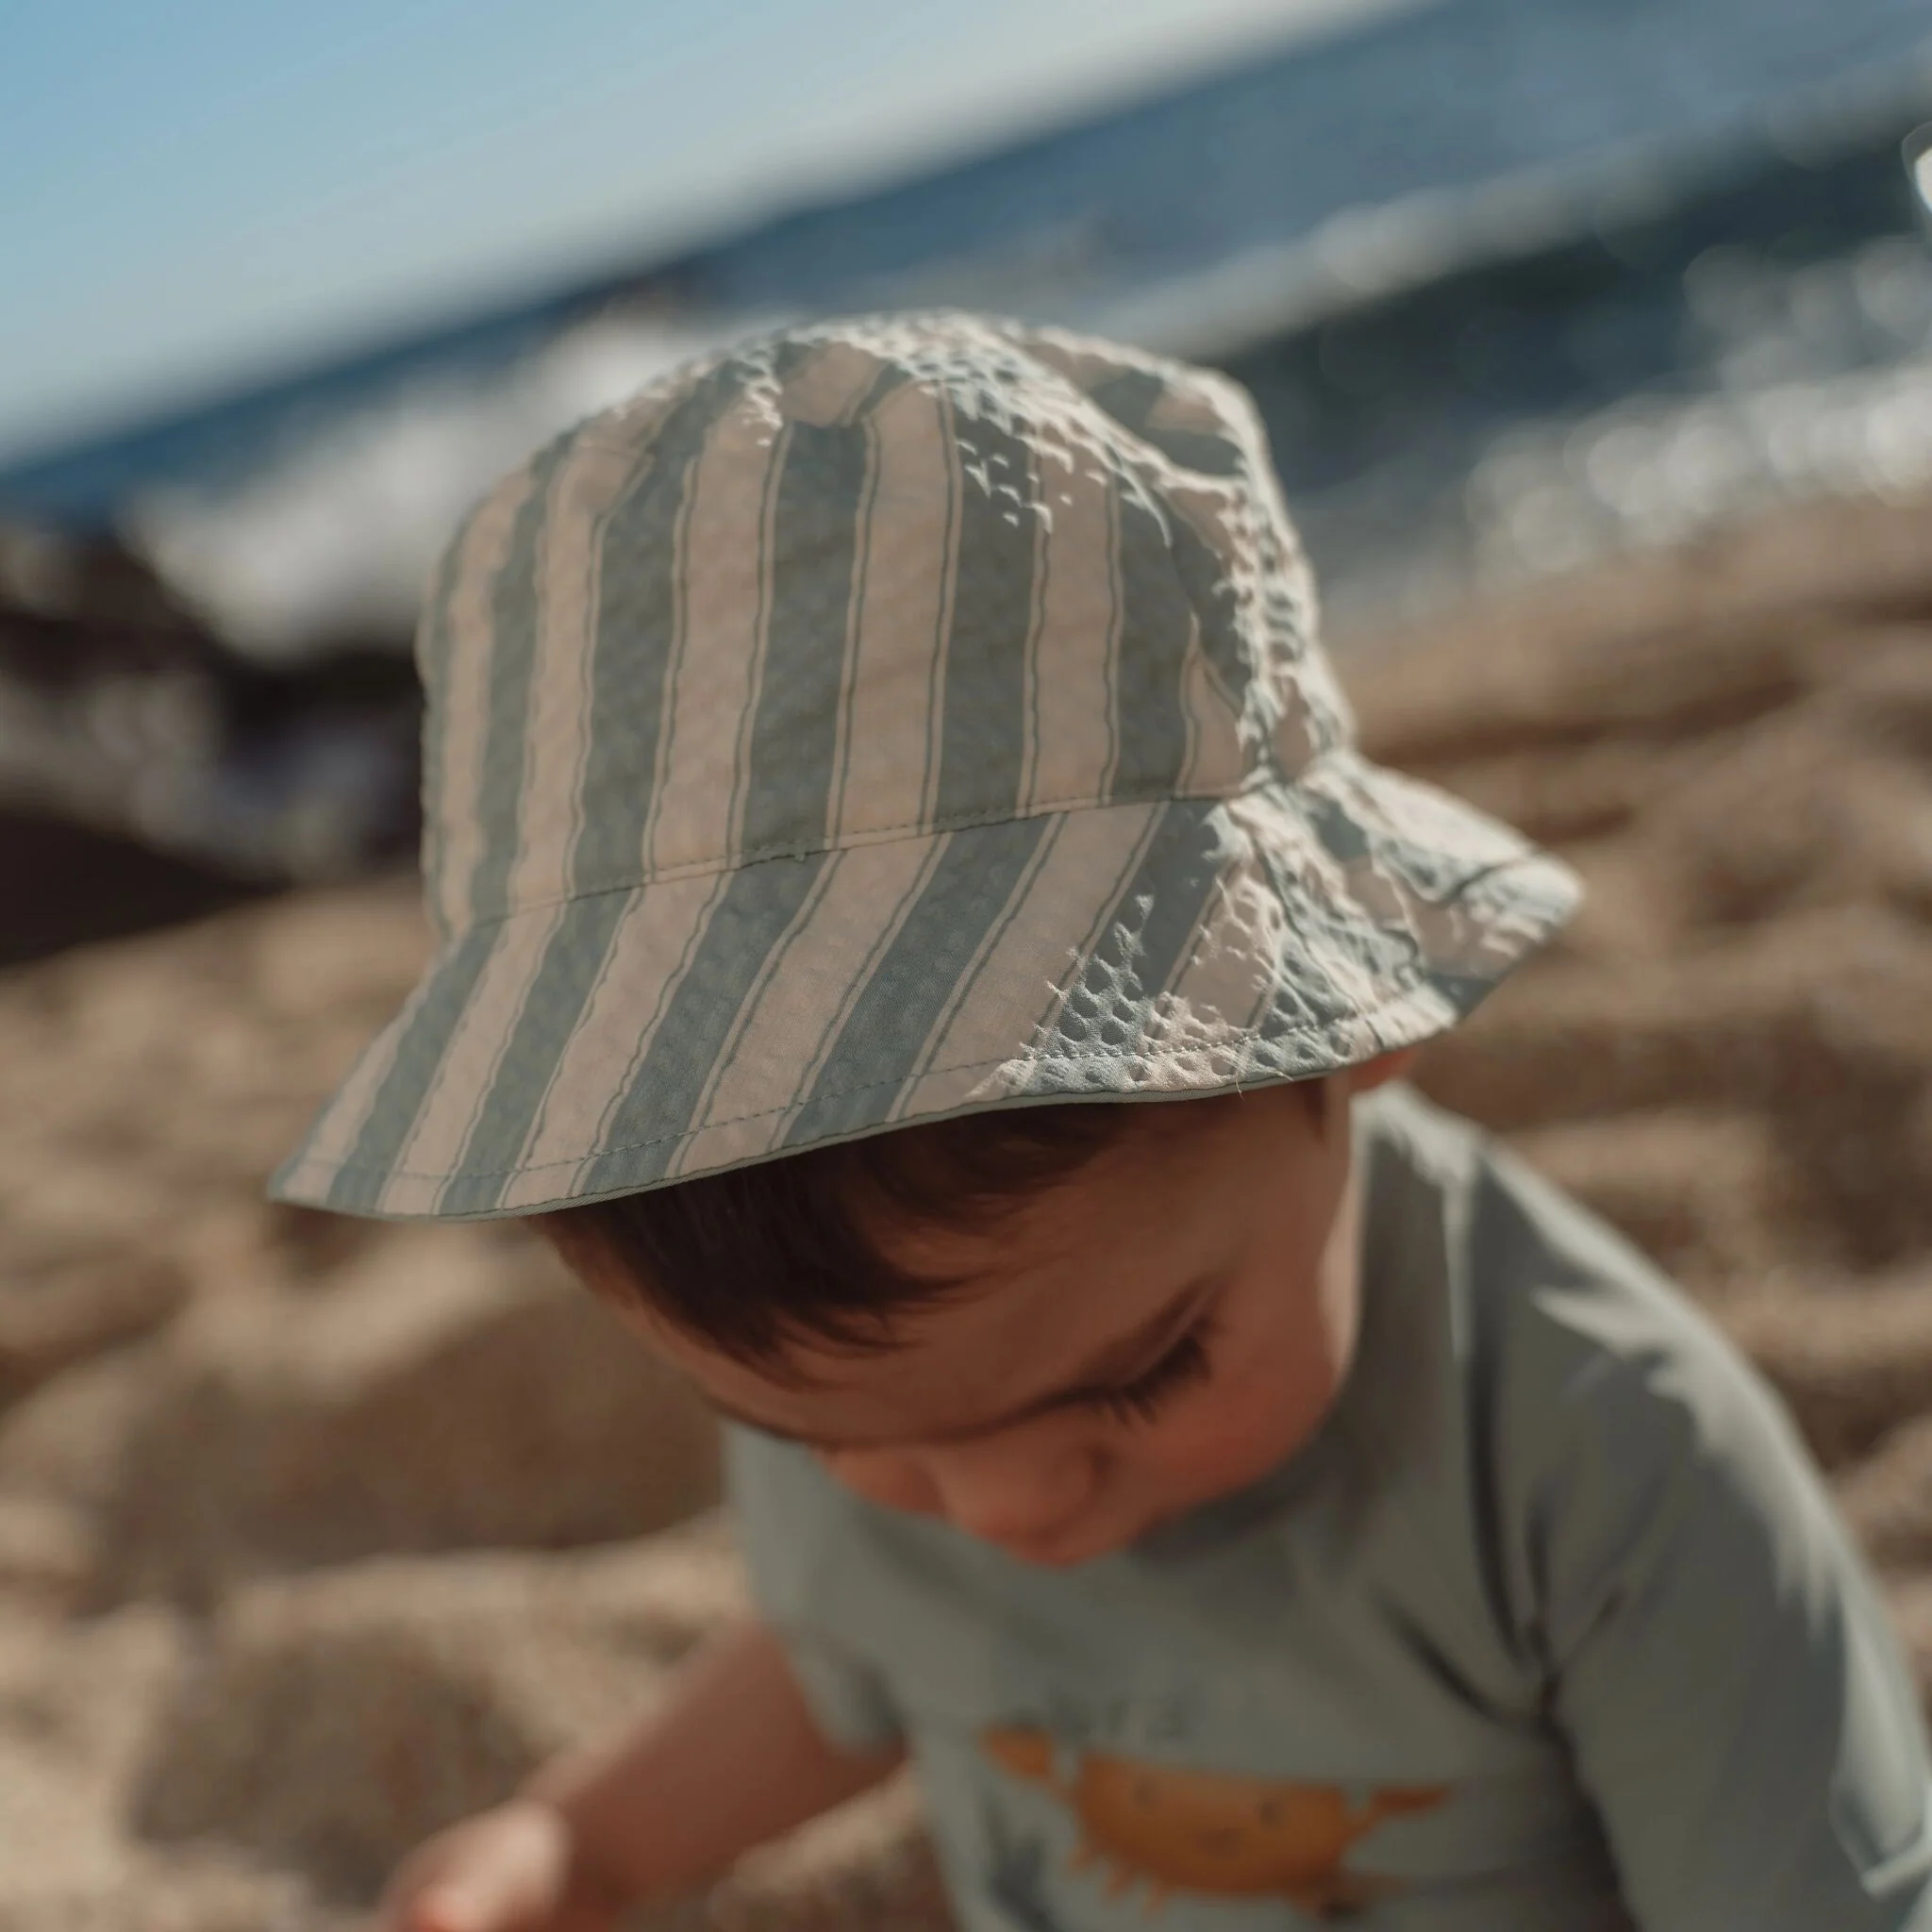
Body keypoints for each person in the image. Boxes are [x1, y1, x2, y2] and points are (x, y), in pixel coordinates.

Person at [271, 311, 1932, 1930]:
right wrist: (576, 1847)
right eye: (826, 1446)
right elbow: (850, 1659)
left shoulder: (1600, 1464)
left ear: (1353, 1034)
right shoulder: (887, 1374)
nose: (1000, 1517)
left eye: (1148, 1372)